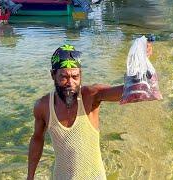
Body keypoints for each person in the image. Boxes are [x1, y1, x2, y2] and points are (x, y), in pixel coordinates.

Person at [27, 41, 154, 179]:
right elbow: (37, 139)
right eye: (64, 77)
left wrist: (141, 63)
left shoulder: (90, 96)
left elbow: (128, 91)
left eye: (75, 77)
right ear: (53, 75)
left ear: (81, 75)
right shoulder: (43, 106)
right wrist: (30, 176)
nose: (70, 83)